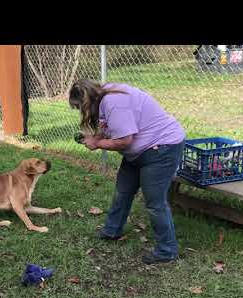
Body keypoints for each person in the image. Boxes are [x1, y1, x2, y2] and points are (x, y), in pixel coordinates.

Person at [69, 79, 186, 264]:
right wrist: (95, 137)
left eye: (79, 108)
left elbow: (124, 140)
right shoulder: (103, 95)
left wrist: (97, 143)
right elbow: (107, 125)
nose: (80, 112)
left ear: (86, 102)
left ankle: (167, 250)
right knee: (122, 192)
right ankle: (111, 231)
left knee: (155, 202)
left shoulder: (113, 102)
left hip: (161, 147)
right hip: (139, 152)